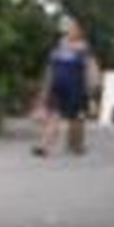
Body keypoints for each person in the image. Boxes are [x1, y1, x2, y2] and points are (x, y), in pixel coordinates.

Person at [36, 18, 99, 157]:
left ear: (78, 32)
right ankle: (44, 147)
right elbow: (50, 70)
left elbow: (91, 68)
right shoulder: (58, 49)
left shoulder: (84, 49)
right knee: (55, 116)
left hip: (76, 89)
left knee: (77, 118)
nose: (67, 32)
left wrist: (92, 88)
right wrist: (45, 89)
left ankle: (76, 145)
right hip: (57, 88)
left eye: (71, 29)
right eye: (67, 29)